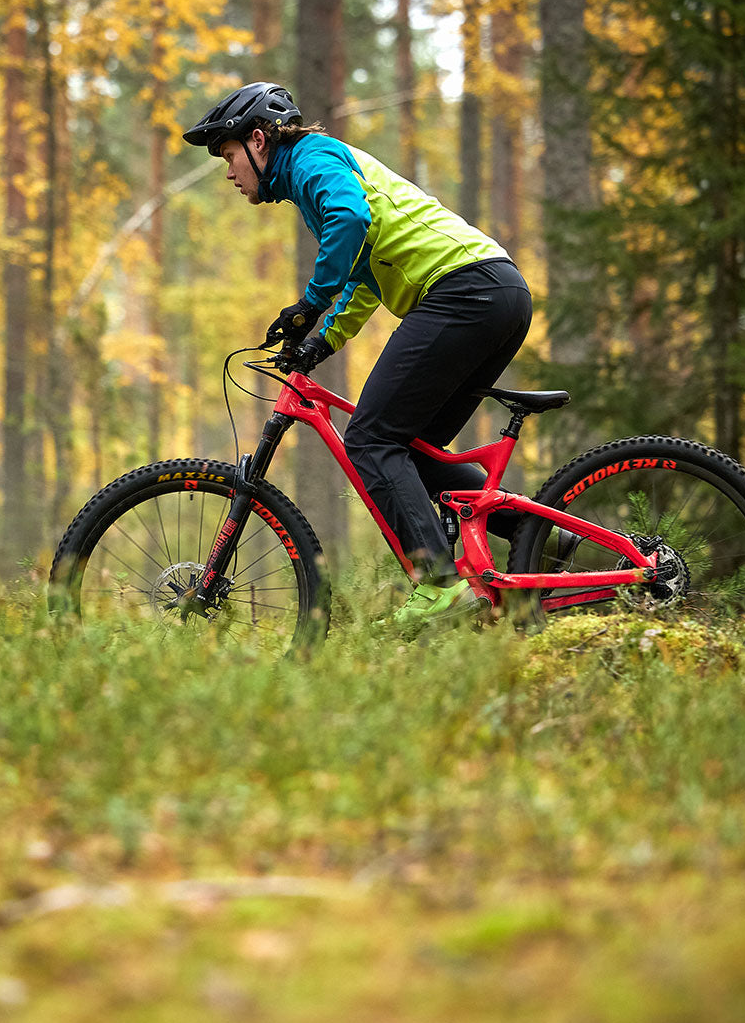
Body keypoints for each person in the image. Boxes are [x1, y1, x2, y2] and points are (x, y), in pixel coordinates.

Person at [183, 82, 533, 630]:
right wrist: (322, 338)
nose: (228, 173)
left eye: (228, 157)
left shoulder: (309, 157)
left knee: (370, 438)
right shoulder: (312, 175)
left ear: (257, 140)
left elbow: (348, 223)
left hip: (465, 290)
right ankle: (540, 537)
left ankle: (439, 587)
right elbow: (364, 272)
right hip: (496, 293)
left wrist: (309, 304)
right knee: (415, 453)